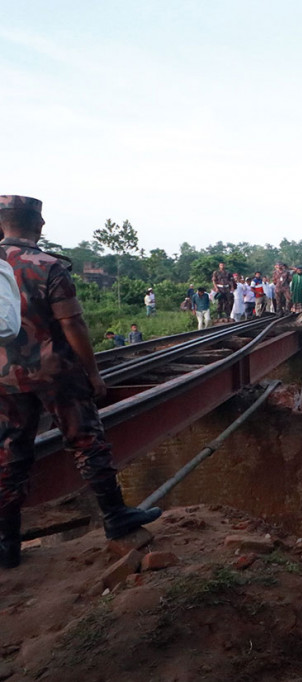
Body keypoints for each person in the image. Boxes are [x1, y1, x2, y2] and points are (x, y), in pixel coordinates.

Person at [0, 195, 161, 569]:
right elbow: (72, 323)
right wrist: (92, 373)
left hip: (4, 378)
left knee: (9, 454)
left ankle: (6, 544)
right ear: (38, 226)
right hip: (55, 371)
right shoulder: (48, 266)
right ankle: (115, 516)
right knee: (87, 441)